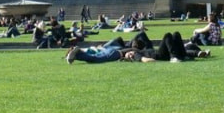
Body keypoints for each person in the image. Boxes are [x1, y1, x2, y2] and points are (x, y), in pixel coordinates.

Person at [66, 32, 209, 64]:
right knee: (100, 58)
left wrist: (197, 53)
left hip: (162, 54)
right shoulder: (134, 51)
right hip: (161, 55)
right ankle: (176, 57)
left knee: (175, 34)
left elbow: (141, 36)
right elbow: (145, 60)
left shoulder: (136, 50)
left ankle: (177, 57)